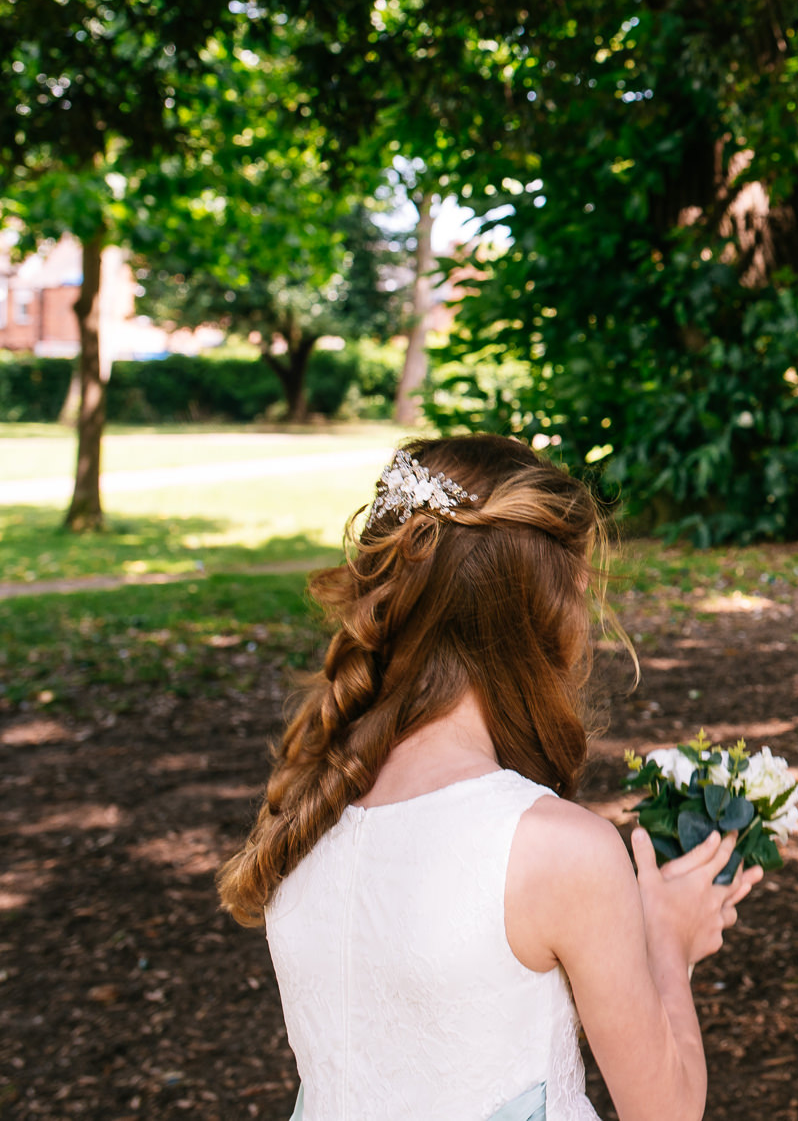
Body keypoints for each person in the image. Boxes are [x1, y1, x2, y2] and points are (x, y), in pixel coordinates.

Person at [217, 436, 759, 1121]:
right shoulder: (555, 848)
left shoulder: (308, 807)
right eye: (582, 597)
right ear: (544, 615)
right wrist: (667, 945)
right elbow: (667, 1111)